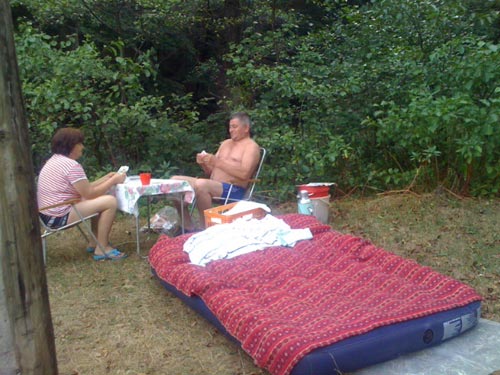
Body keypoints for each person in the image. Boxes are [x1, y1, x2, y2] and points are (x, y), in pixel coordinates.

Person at [37, 127, 127, 260]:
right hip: (58, 216)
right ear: (71, 146)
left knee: (100, 200)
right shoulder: (71, 166)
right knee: (110, 201)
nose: (82, 147)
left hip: (48, 214)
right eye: (79, 143)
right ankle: (102, 249)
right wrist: (114, 180)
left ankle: (94, 242)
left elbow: (85, 188)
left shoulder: (54, 161)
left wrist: (106, 178)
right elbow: (90, 194)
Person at [173, 112, 261, 230]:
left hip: (234, 189)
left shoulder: (251, 147)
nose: (231, 130)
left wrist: (217, 162)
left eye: (234, 127)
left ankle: (207, 228)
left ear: (246, 128)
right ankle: (187, 226)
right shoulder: (225, 144)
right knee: (174, 181)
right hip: (215, 185)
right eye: (230, 127)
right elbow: (211, 172)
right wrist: (203, 164)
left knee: (202, 185)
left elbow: (244, 174)